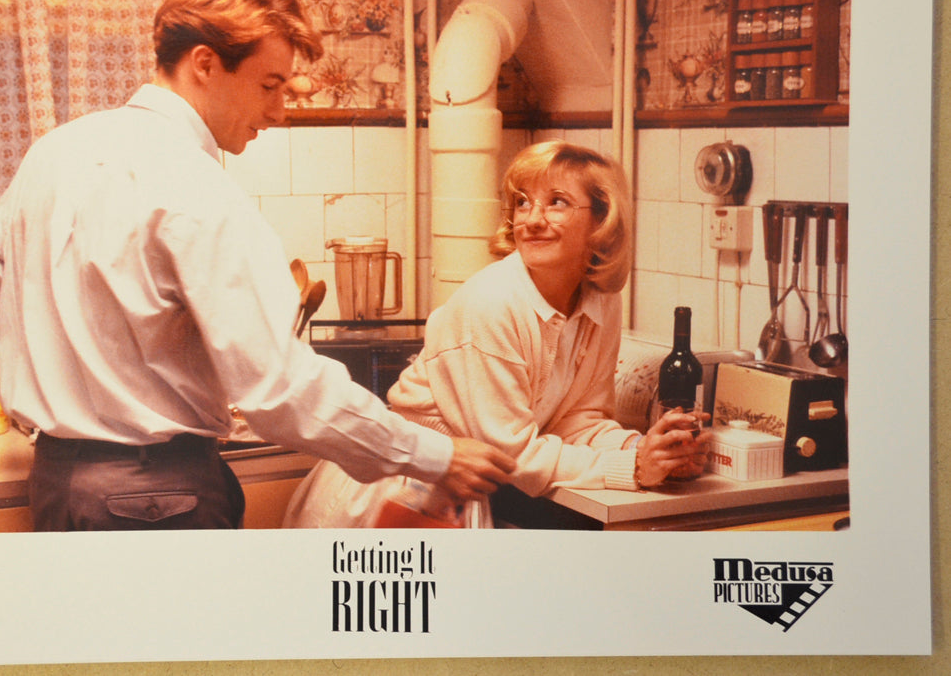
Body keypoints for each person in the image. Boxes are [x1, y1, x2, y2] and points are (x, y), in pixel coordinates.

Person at [0, 0, 514, 531]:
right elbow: (278, 386)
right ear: (205, 64)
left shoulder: (55, 152)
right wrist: (433, 454)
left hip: (58, 484)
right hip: (156, 496)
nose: (279, 111)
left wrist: (85, 366)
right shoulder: (196, 185)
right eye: (269, 86)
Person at [284, 140, 709, 529]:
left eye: (557, 202)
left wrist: (654, 449)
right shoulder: (492, 303)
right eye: (523, 203)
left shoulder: (601, 301)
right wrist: (633, 468)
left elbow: (578, 421)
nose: (533, 219)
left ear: (603, 220)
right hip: (405, 488)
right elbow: (514, 455)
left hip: (462, 488)